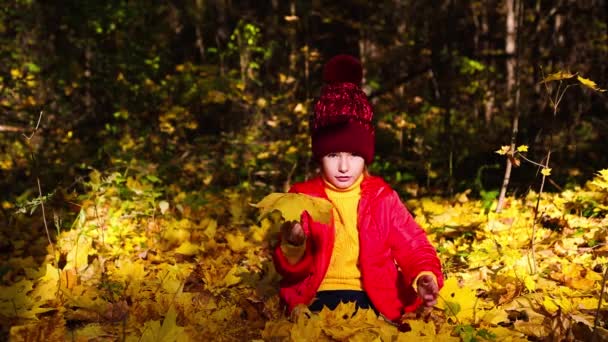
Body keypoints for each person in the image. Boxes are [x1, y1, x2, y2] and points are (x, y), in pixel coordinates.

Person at [272, 54, 444, 323]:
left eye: (353, 155)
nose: (343, 166)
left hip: (372, 297)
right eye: (332, 156)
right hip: (317, 296)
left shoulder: (381, 198)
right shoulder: (303, 197)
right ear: (319, 156)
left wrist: (424, 274)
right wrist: (293, 245)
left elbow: (413, 244)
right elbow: (291, 270)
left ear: (366, 156)